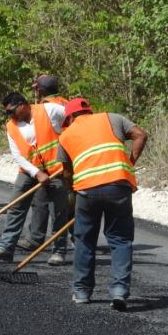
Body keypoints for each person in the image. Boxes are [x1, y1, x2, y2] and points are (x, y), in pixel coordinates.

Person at [57, 97, 148, 310]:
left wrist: (74, 189)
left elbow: (66, 172)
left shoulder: (65, 135)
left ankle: (81, 292)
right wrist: (129, 162)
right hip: (118, 185)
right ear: (89, 111)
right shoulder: (112, 118)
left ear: (69, 117)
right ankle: (119, 292)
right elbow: (141, 135)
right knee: (120, 239)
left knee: (85, 240)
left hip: (87, 191)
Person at [0, 93, 71, 265]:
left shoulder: (49, 110)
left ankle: (58, 252)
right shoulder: (11, 126)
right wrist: (36, 173)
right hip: (28, 170)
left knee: (59, 211)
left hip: (56, 169)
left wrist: (70, 144)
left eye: (12, 111)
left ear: (23, 104)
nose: (10, 116)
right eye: (7, 113)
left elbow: (73, 119)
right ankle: (6, 248)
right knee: (15, 206)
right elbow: (17, 156)